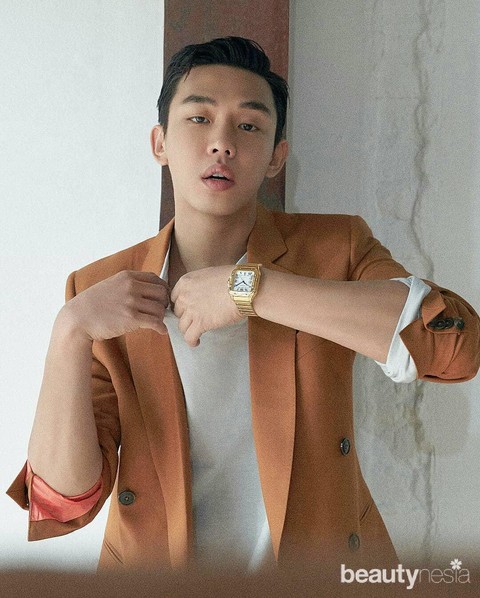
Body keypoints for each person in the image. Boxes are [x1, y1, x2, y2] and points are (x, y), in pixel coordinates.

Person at [7, 37, 480, 574]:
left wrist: (252, 289)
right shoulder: (100, 290)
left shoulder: (336, 248)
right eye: (199, 118)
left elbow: (454, 349)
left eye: (249, 125)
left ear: (277, 155)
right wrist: (69, 331)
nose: (222, 143)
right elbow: (63, 502)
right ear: (160, 142)